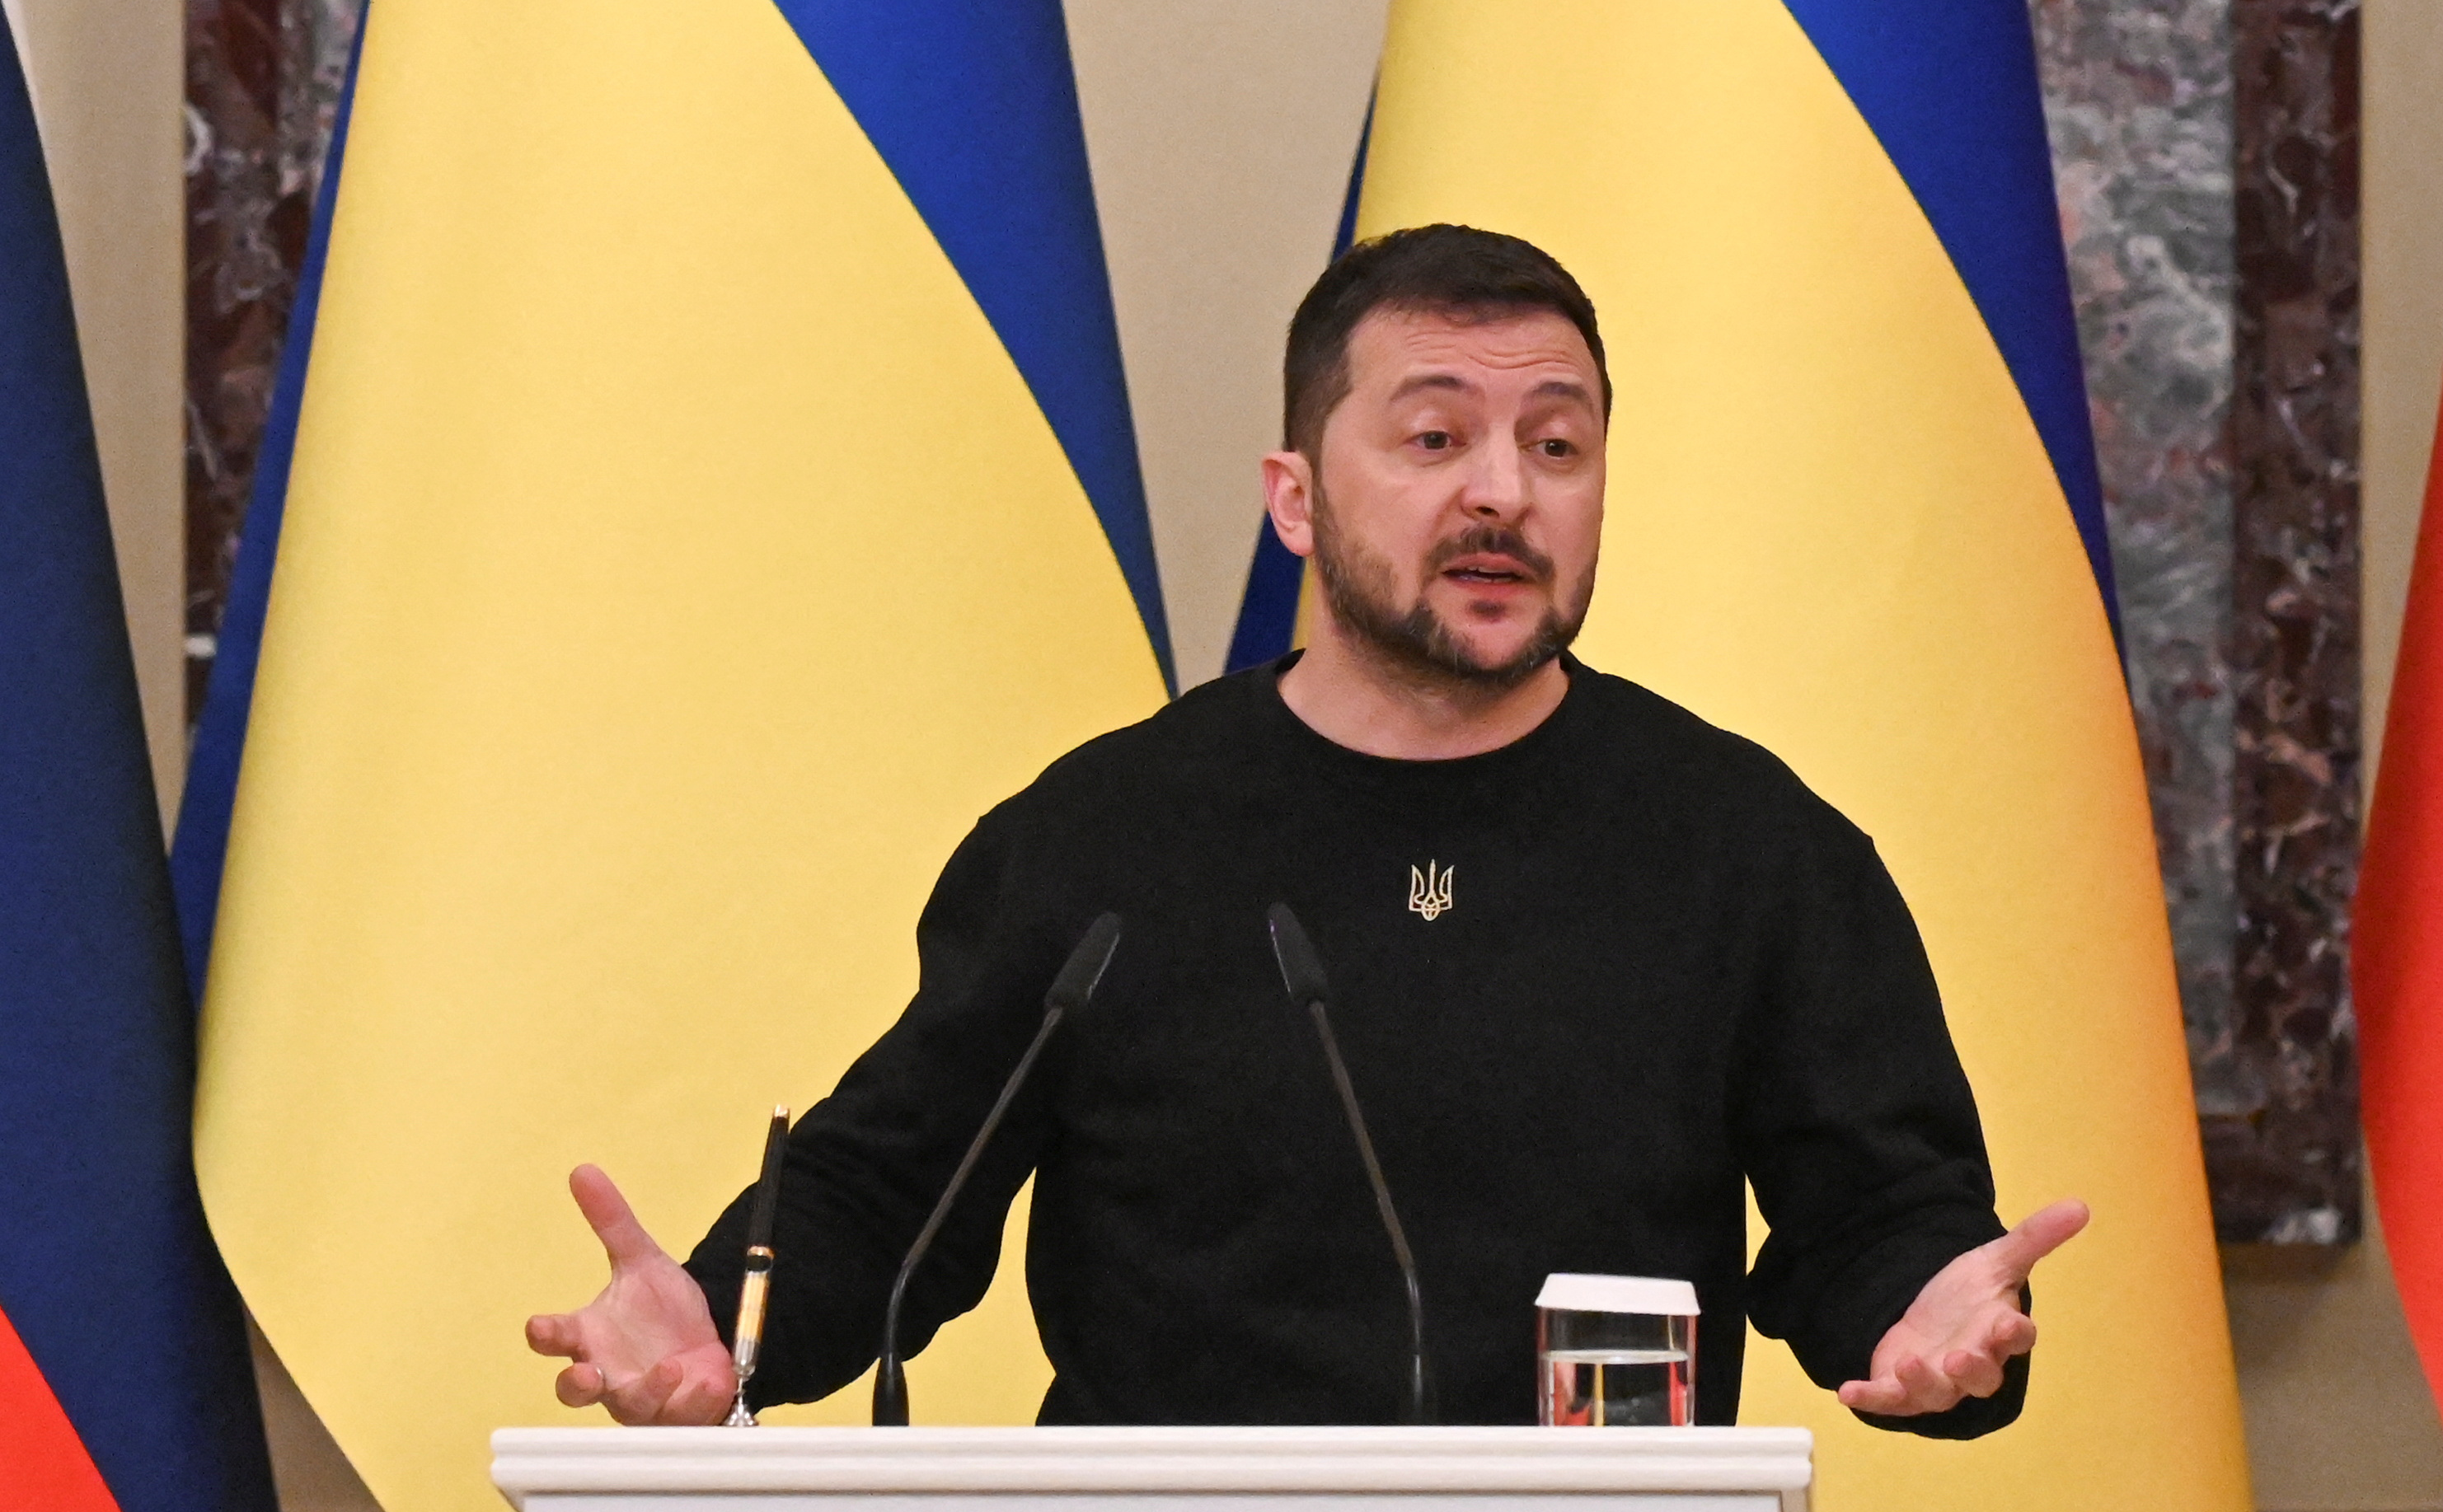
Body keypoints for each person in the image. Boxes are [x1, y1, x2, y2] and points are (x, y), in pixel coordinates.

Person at [526, 223, 2074, 1434]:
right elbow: (889, 1193)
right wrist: (732, 1322)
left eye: (1556, 444)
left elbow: (1873, 1218)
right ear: (1293, 495)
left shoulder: (1753, 850)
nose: (1503, 496)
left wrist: (1927, 1310)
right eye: (1431, 439)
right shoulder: (1106, 842)